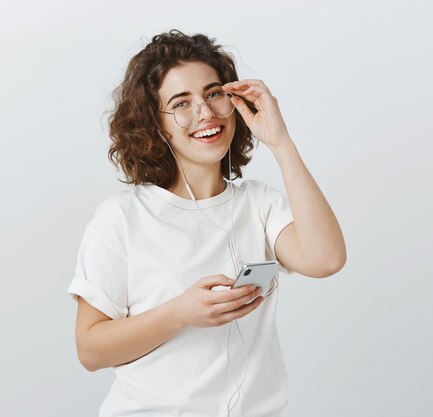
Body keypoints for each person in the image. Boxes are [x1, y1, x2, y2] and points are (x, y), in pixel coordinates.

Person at [67, 29, 346, 417]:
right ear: (156, 124)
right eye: (181, 103)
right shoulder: (122, 217)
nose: (205, 112)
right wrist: (182, 312)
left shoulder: (260, 203)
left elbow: (326, 259)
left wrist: (281, 143)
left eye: (214, 94)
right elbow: (91, 350)